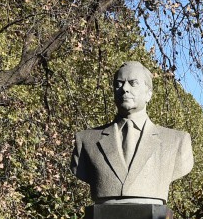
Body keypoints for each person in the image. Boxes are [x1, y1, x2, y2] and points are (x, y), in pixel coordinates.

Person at [70, 60, 193, 204]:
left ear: (149, 94)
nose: (124, 88)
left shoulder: (176, 141)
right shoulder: (86, 140)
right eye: (119, 83)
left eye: (133, 83)